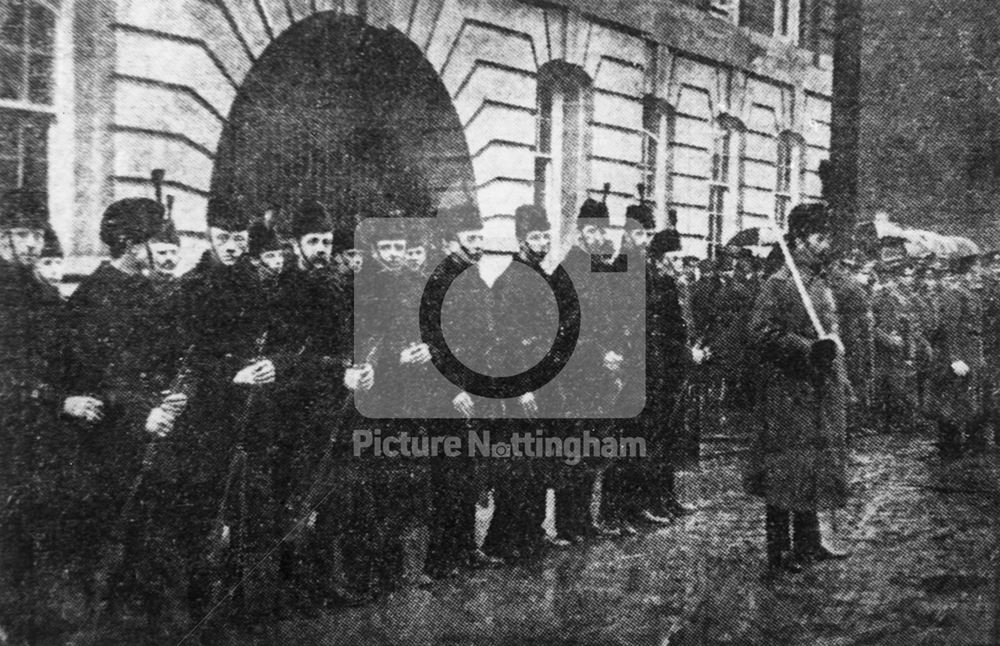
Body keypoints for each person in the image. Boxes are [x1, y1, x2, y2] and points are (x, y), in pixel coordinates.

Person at [62, 197, 189, 636]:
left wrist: (179, 395)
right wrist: (142, 414)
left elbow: (176, 359)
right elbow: (91, 380)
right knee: (109, 557)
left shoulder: (150, 291)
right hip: (111, 449)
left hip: (158, 437)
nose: (159, 250)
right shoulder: (92, 299)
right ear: (132, 244)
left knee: (155, 550)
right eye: (153, 241)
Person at [744, 203, 850, 576]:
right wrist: (806, 349)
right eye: (820, 237)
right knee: (785, 469)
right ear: (801, 240)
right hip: (788, 393)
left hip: (819, 390)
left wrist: (834, 354)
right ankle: (779, 548)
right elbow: (759, 333)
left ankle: (809, 541)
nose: (827, 244)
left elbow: (831, 331)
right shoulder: (779, 283)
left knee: (814, 466)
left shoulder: (820, 283)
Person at [0, 190, 72, 643]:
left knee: (37, 525)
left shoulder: (42, 294)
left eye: (37, 234)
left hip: (41, 434)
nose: (31, 244)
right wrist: (50, 397)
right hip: (7, 429)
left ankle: (31, 619)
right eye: (21, 234)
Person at [423, 203, 500, 578]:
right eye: (471, 238)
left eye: (480, 237)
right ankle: (439, 560)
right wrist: (451, 389)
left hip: (474, 388)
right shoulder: (440, 279)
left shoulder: (473, 276)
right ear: (452, 240)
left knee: (470, 476)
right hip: (451, 395)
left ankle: (466, 549)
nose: (478, 244)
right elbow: (434, 343)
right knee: (448, 480)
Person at [924, 250, 986, 455]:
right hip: (960, 353)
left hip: (971, 350)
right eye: (976, 267)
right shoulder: (954, 293)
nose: (979, 270)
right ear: (966, 269)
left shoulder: (970, 292)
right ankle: (949, 445)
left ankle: (961, 442)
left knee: (966, 398)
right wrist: (955, 358)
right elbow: (949, 327)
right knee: (952, 398)